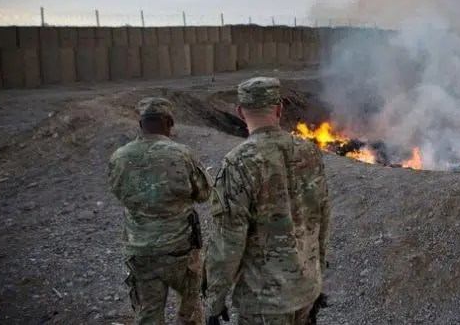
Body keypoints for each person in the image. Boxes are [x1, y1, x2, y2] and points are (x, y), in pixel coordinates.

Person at [204, 77, 331, 325]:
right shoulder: (310, 151)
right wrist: (317, 276)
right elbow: (323, 218)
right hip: (306, 290)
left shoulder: (239, 162)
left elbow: (228, 240)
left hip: (264, 301)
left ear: (240, 112)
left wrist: (215, 300)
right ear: (279, 109)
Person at [108, 97, 212, 325]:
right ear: (169, 121)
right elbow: (204, 194)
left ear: (141, 123)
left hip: (141, 252)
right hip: (180, 251)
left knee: (148, 314)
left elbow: (118, 192)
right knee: (191, 311)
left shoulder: (120, 157)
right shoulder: (183, 155)